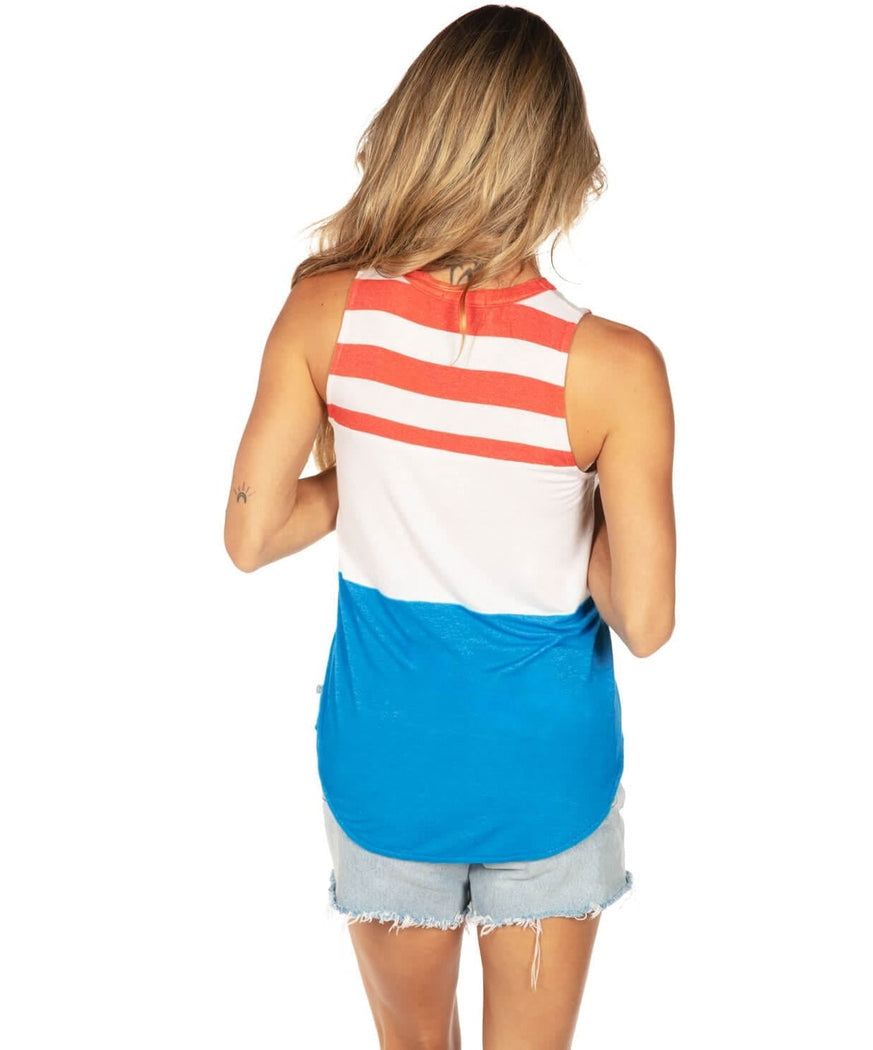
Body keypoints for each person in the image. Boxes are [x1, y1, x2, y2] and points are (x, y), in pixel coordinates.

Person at [224, 5, 675, 1048]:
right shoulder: (615, 369)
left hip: (387, 761)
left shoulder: (325, 314)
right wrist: (566, 500)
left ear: (416, 130)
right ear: (562, 163)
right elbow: (646, 621)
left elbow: (250, 537)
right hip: (548, 776)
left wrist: (376, 472)